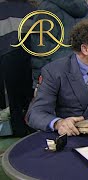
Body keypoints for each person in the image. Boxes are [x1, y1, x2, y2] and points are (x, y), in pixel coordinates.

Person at [31, 0, 88, 89]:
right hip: (83, 71)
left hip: (56, 74)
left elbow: (40, 48)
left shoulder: (47, 8)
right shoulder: (84, 11)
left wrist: (38, 80)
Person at [0, 0, 36, 136]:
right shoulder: (32, 8)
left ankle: (19, 130)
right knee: (30, 96)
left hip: (7, 57)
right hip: (29, 56)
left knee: (14, 99)